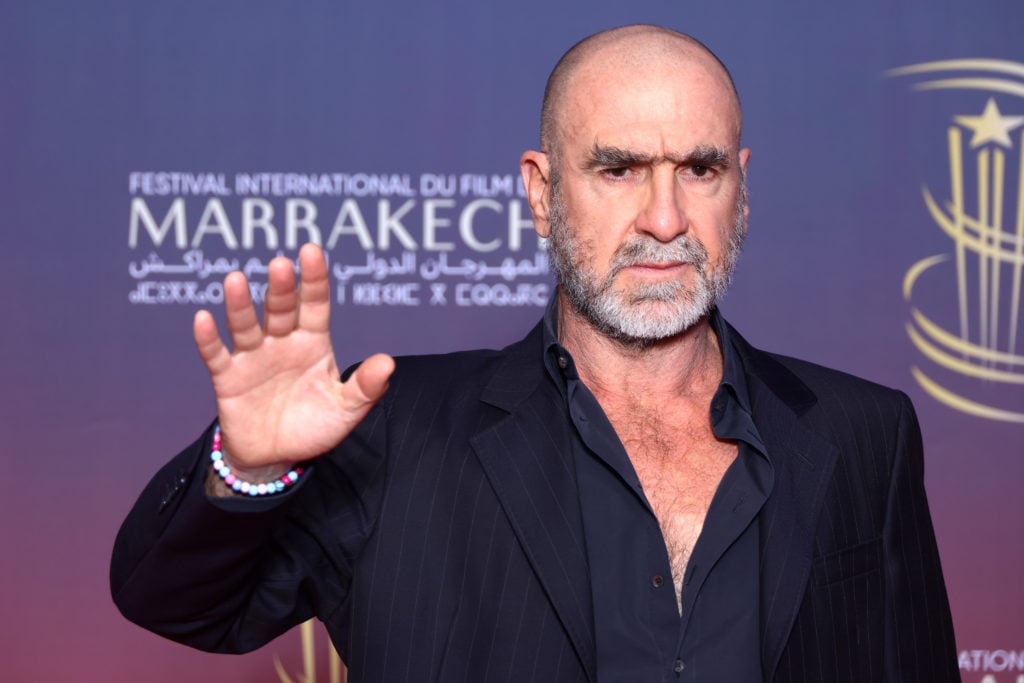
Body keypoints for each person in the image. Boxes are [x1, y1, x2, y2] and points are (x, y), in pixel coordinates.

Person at [111, 24, 959, 682]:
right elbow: (177, 602)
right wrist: (250, 469)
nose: (664, 218)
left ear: (740, 190)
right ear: (542, 193)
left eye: (699, 170)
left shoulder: (864, 434)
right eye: (619, 169)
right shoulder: (394, 432)